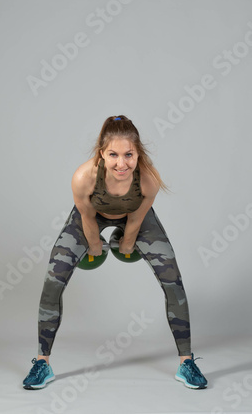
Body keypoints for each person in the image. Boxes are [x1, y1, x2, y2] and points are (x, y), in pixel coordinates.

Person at [23, 115, 207, 390]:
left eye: (129, 155)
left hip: (134, 219)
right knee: (53, 280)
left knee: (173, 281)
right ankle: (42, 363)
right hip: (91, 219)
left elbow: (136, 220)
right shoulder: (83, 177)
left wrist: (127, 243)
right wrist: (95, 248)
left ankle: (186, 362)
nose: (122, 163)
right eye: (113, 154)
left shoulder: (149, 180)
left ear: (138, 153)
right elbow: (86, 216)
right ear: (102, 154)